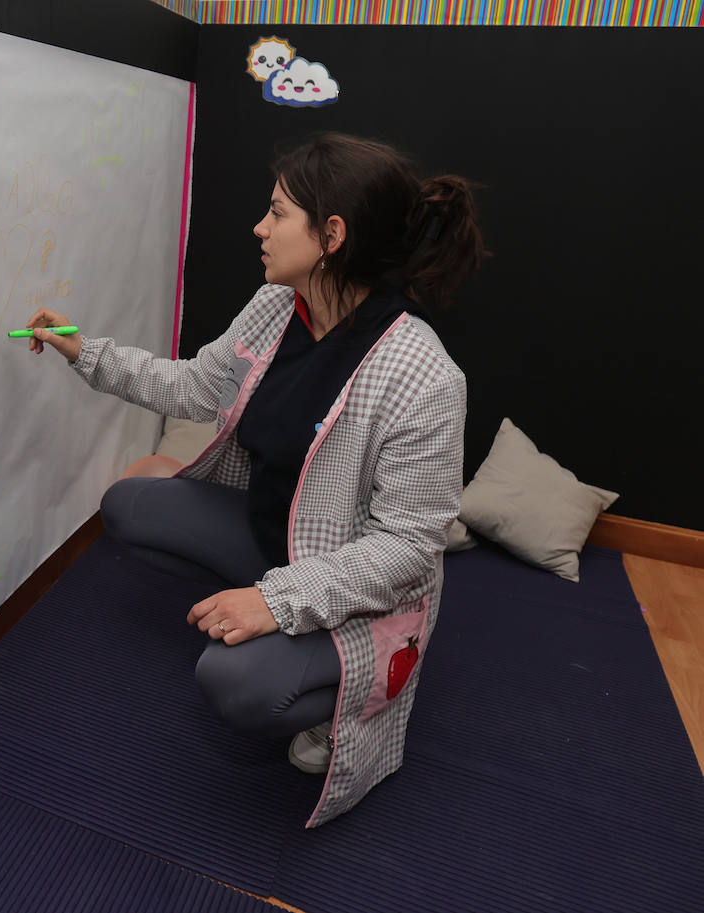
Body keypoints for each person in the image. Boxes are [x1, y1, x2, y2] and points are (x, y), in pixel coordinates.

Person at [24, 132, 484, 827]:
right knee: (129, 503)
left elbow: (405, 552)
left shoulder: (423, 376)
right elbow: (194, 385)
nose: (259, 228)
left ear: (331, 234)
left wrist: (275, 602)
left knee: (232, 683)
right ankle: (265, 621)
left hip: (357, 587)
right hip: (277, 535)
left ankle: (334, 702)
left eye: (276, 213)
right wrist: (83, 349)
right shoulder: (277, 306)